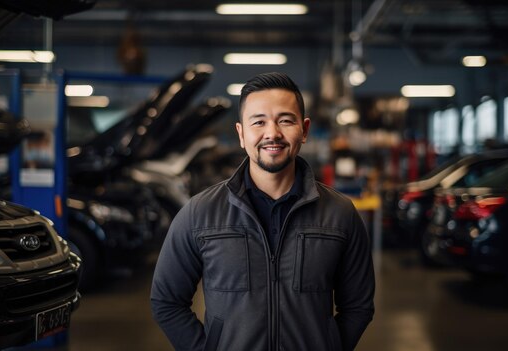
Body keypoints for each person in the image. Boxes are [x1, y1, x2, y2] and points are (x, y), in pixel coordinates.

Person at [150, 72, 375, 351]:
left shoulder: (340, 214)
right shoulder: (199, 213)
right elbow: (166, 301)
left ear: (304, 130)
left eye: (285, 120)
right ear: (241, 134)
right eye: (259, 122)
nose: (272, 133)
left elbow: (359, 305)